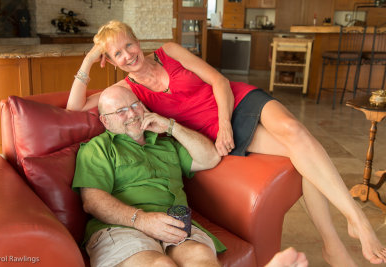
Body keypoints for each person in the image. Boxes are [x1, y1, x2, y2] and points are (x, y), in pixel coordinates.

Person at [67, 20, 386, 266]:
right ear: (110, 61)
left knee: (297, 133)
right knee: (299, 157)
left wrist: (223, 125)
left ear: (138, 41)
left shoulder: (169, 51)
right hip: (211, 128)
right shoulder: (128, 92)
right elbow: (72, 110)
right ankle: (333, 246)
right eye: (117, 53)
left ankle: (355, 220)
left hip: (233, 103)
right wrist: (89, 59)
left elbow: (219, 80)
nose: (128, 55)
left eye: (129, 45)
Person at [72, 85, 224, 267]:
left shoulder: (165, 142)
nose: (132, 114)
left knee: (200, 256)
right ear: (105, 121)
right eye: (121, 111)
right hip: (123, 227)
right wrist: (142, 220)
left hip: (175, 223)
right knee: (160, 265)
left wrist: (171, 126)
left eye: (135, 105)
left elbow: (211, 158)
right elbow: (93, 201)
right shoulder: (97, 148)